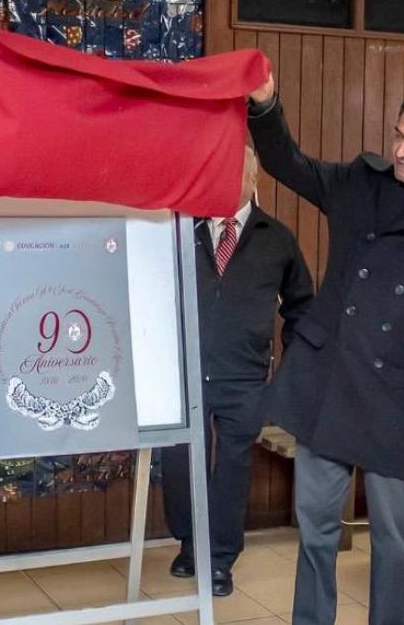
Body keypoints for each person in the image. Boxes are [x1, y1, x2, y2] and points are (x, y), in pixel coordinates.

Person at [247, 77, 404, 625]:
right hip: (329, 379)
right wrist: (265, 105)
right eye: (399, 135)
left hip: (400, 399)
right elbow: (285, 162)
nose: (401, 151)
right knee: (316, 529)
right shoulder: (360, 183)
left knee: (392, 540)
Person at [162, 145, 313, 596]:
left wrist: (292, 368)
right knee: (179, 460)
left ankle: (221, 559)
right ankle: (190, 545)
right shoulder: (181, 230)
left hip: (245, 376)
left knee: (232, 466)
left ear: (254, 181)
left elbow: (303, 307)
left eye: (234, 177)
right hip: (183, 372)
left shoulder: (277, 239)